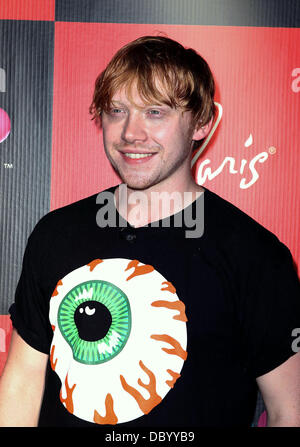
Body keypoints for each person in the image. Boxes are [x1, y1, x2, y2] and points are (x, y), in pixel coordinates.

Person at [0, 35, 300, 427]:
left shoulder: (255, 253)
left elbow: (288, 410)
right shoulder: (55, 234)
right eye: (116, 110)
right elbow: (22, 383)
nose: (131, 133)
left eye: (155, 112)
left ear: (202, 122)